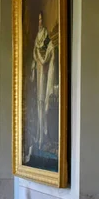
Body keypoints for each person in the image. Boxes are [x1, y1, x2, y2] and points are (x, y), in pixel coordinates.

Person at [30, 11, 57, 155]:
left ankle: (44, 135)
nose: (40, 22)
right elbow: (35, 53)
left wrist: (43, 59)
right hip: (40, 70)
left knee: (43, 103)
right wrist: (37, 63)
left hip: (44, 71)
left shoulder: (46, 35)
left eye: (41, 19)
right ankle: (40, 135)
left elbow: (48, 51)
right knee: (39, 103)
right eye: (38, 20)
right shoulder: (37, 37)